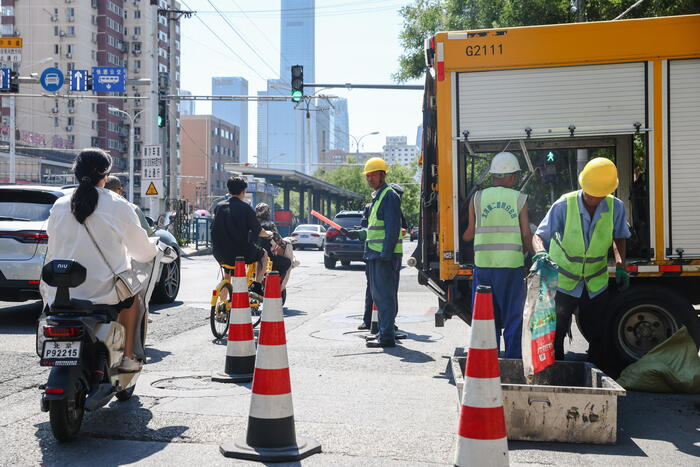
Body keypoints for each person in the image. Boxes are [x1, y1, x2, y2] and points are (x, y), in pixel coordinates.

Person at [41, 148, 158, 372]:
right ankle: (127, 357)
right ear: (105, 176)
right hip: (103, 294)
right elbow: (142, 254)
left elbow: (53, 245)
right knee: (133, 298)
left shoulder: (60, 205)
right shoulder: (119, 205)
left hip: (60, 293)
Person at [532, 157, 631, 364]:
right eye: (589, 194)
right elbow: (538, 236)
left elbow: (619, 236)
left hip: (595, 282)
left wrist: (621, 264)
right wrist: (541, 253)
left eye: (598, 195)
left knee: (598, 331)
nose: (593, 199)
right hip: (564, 281)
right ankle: (556, 372)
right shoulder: (564, 204)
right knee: (556, 332)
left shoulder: (616, 207)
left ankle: (597, 373)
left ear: (607, 192)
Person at [462, 152, 532, 358]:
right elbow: (526, 234)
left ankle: (487, 360)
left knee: (486, 317)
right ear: (510, 176)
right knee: (513, 316)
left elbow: (469, 233)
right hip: (511, 267)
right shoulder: (520, 198)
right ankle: (513, 360)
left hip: (483, 267)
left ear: (494, 175)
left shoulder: (478, 197)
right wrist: (535, 254)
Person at [348, 157, 403, 348]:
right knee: (378, 296)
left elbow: (393, 227)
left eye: (373, 175)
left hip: (382, 256)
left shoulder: (389, 196)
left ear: (383, 175)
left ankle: (387, 336)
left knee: (385, 296)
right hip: (375, 254)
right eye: (368, 175)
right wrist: (358, 234)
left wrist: (386, 254)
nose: (370, 178)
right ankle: (383, 332)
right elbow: (375, 229)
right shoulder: (378, 197)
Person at [211, 176, 273, 296]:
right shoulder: (246, 208)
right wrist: (268, 234)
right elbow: (258, 231)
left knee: (227, 274)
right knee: (263, 255)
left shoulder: (218, 207)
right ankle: (257, 285)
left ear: (228, 191)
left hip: (219, 252)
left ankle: (222, 305)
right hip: (240, 252)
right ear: (244, 191)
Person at [254, 202, 292, 283]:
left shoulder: (252, 223)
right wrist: (285, 244)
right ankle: (274, 282)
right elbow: (278, 240)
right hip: (266, 255)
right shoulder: (270, 224)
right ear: (267, 213)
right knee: (287, 263)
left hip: (252, 252)